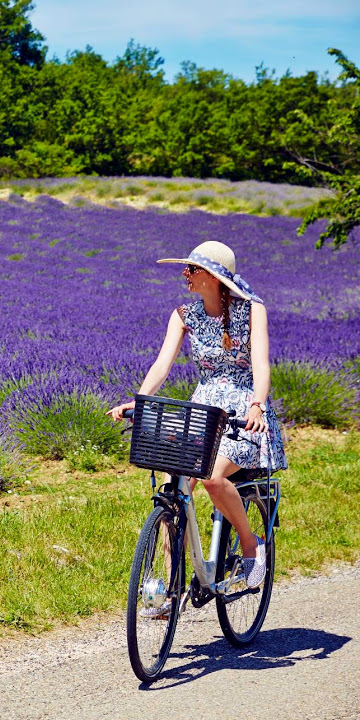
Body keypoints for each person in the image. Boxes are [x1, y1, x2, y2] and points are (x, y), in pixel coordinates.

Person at [107, 240, 287, 592]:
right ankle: (171, 584)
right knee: (174, 487)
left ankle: (251, 544)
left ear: (215, 276)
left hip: (243, 409)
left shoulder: (252, 310)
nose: (184, 274)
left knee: (213, 478)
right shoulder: (183, 315)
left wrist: (257, 405)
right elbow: (162, 365)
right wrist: (141, 401)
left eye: (192, 269)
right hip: (203, 409)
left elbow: (262, 365)